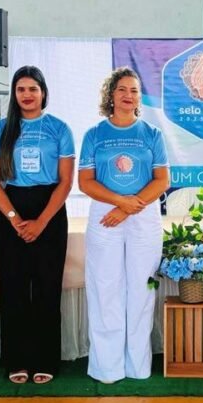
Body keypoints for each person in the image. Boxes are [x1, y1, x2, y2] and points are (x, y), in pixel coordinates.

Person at [78, 67, 169, 383]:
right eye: (122, 90)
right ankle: (108, 367)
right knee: (105, 289)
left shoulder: (152, 134)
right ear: (111, 95)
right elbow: (85, 182)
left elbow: (162, 180)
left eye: (134, 90)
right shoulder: (94, 135)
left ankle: (137, 366)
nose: (128, 95)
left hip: (143, 215)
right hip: (105, 215)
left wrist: (130, 206)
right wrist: (119, 203)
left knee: (141, 289)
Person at [0, 66, 75, 384]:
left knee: (48, 288)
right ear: (14, 94)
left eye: (33, 89)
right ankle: (17, 361)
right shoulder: (0, 129)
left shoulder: (59, 128)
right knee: (14, 288)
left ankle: (45, 360)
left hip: (50, 209)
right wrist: (14, 219)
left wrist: (42, 222)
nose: (27, 95)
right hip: (12, 208)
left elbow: (65, 181)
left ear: (43, 93)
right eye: (21, 89)